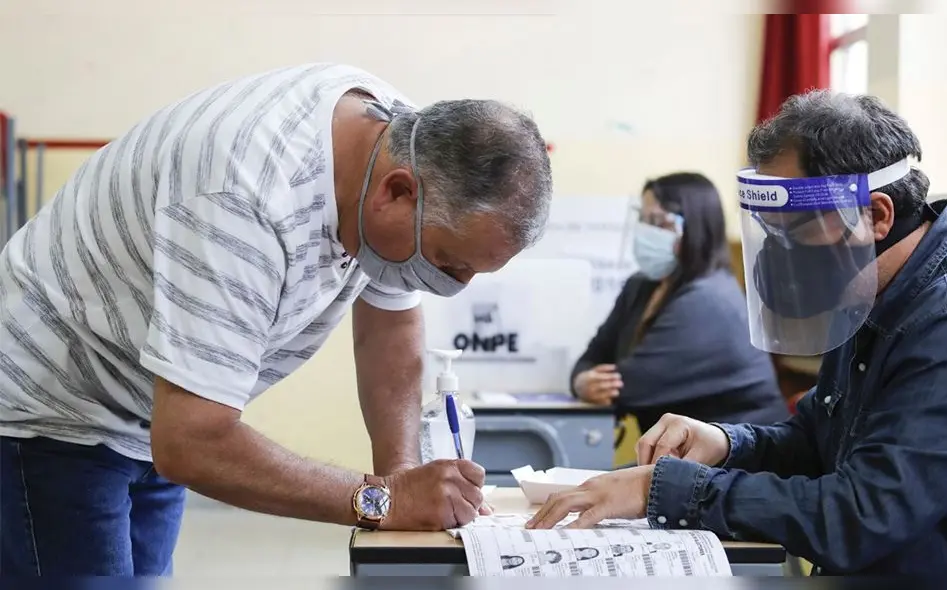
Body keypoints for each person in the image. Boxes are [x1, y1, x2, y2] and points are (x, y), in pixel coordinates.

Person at [0, 63, 552, 576]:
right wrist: (382, 500)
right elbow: (193, 441)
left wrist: (401, 479)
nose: (454, 287)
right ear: (397, 192)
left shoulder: (401, 145)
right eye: (448, 263)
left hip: (150, 409)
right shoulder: (243, 195)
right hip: (54, 406)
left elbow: (391, 322)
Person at [525, 90, 947, 576]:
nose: (780, 255)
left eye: (794, 229)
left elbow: (861, 516)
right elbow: (816, 442)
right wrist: (727, 442)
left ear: (875, 217)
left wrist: (661, 489)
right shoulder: (870, 287)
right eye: (770, 233)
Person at [570, 173, 787, 434]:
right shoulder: (641, 286)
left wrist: (585, 382)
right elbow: (592, 356)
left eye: (659, 222)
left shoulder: (709, 300)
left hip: (742, 455)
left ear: (695, 230)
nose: (646, 231)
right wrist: (580, 381)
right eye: (643, 219)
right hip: (685, 455)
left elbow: (628, 387)